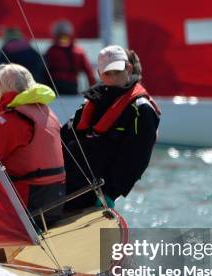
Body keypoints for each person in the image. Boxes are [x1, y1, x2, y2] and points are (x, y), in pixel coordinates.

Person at [62, 45, 160, 211]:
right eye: (108, 73)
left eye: (117, 71)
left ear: (128, 69)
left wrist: (111, 193)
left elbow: (136, 159)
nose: (113, 77)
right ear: (100, 74)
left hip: (96, 195)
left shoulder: (141, 109)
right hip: (67, 186)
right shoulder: (91, 101)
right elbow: (66, 135)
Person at [0, 64, 65, 222]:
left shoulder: (10, 121)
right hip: (56, 200)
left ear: (1, 88)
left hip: (28, 205)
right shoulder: (46, 112)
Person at [44, 20, 96, 95]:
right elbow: (90, 73)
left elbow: (89, 72)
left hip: (57, 89)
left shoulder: (51, 51)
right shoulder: (78, 51)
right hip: (67, 88)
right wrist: (92, 92)